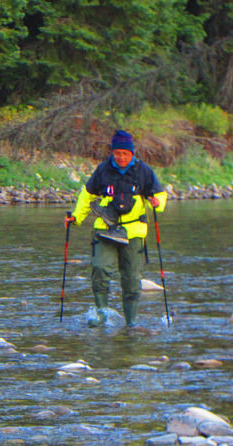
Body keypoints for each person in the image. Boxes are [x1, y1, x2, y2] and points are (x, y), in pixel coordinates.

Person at [66, 129, 167, 327]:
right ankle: (101, 316)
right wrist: (76, 218)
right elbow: (87, 196)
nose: (121, 157)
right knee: (100, 269)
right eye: (117, 153)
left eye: (125, 153)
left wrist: (158, 203)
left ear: (132, 153)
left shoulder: (144, 171)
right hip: (104, 230)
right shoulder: (103, 170)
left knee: (131, 279)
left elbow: (160, 195)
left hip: (134, 233)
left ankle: (131, 323)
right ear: (112, 152)